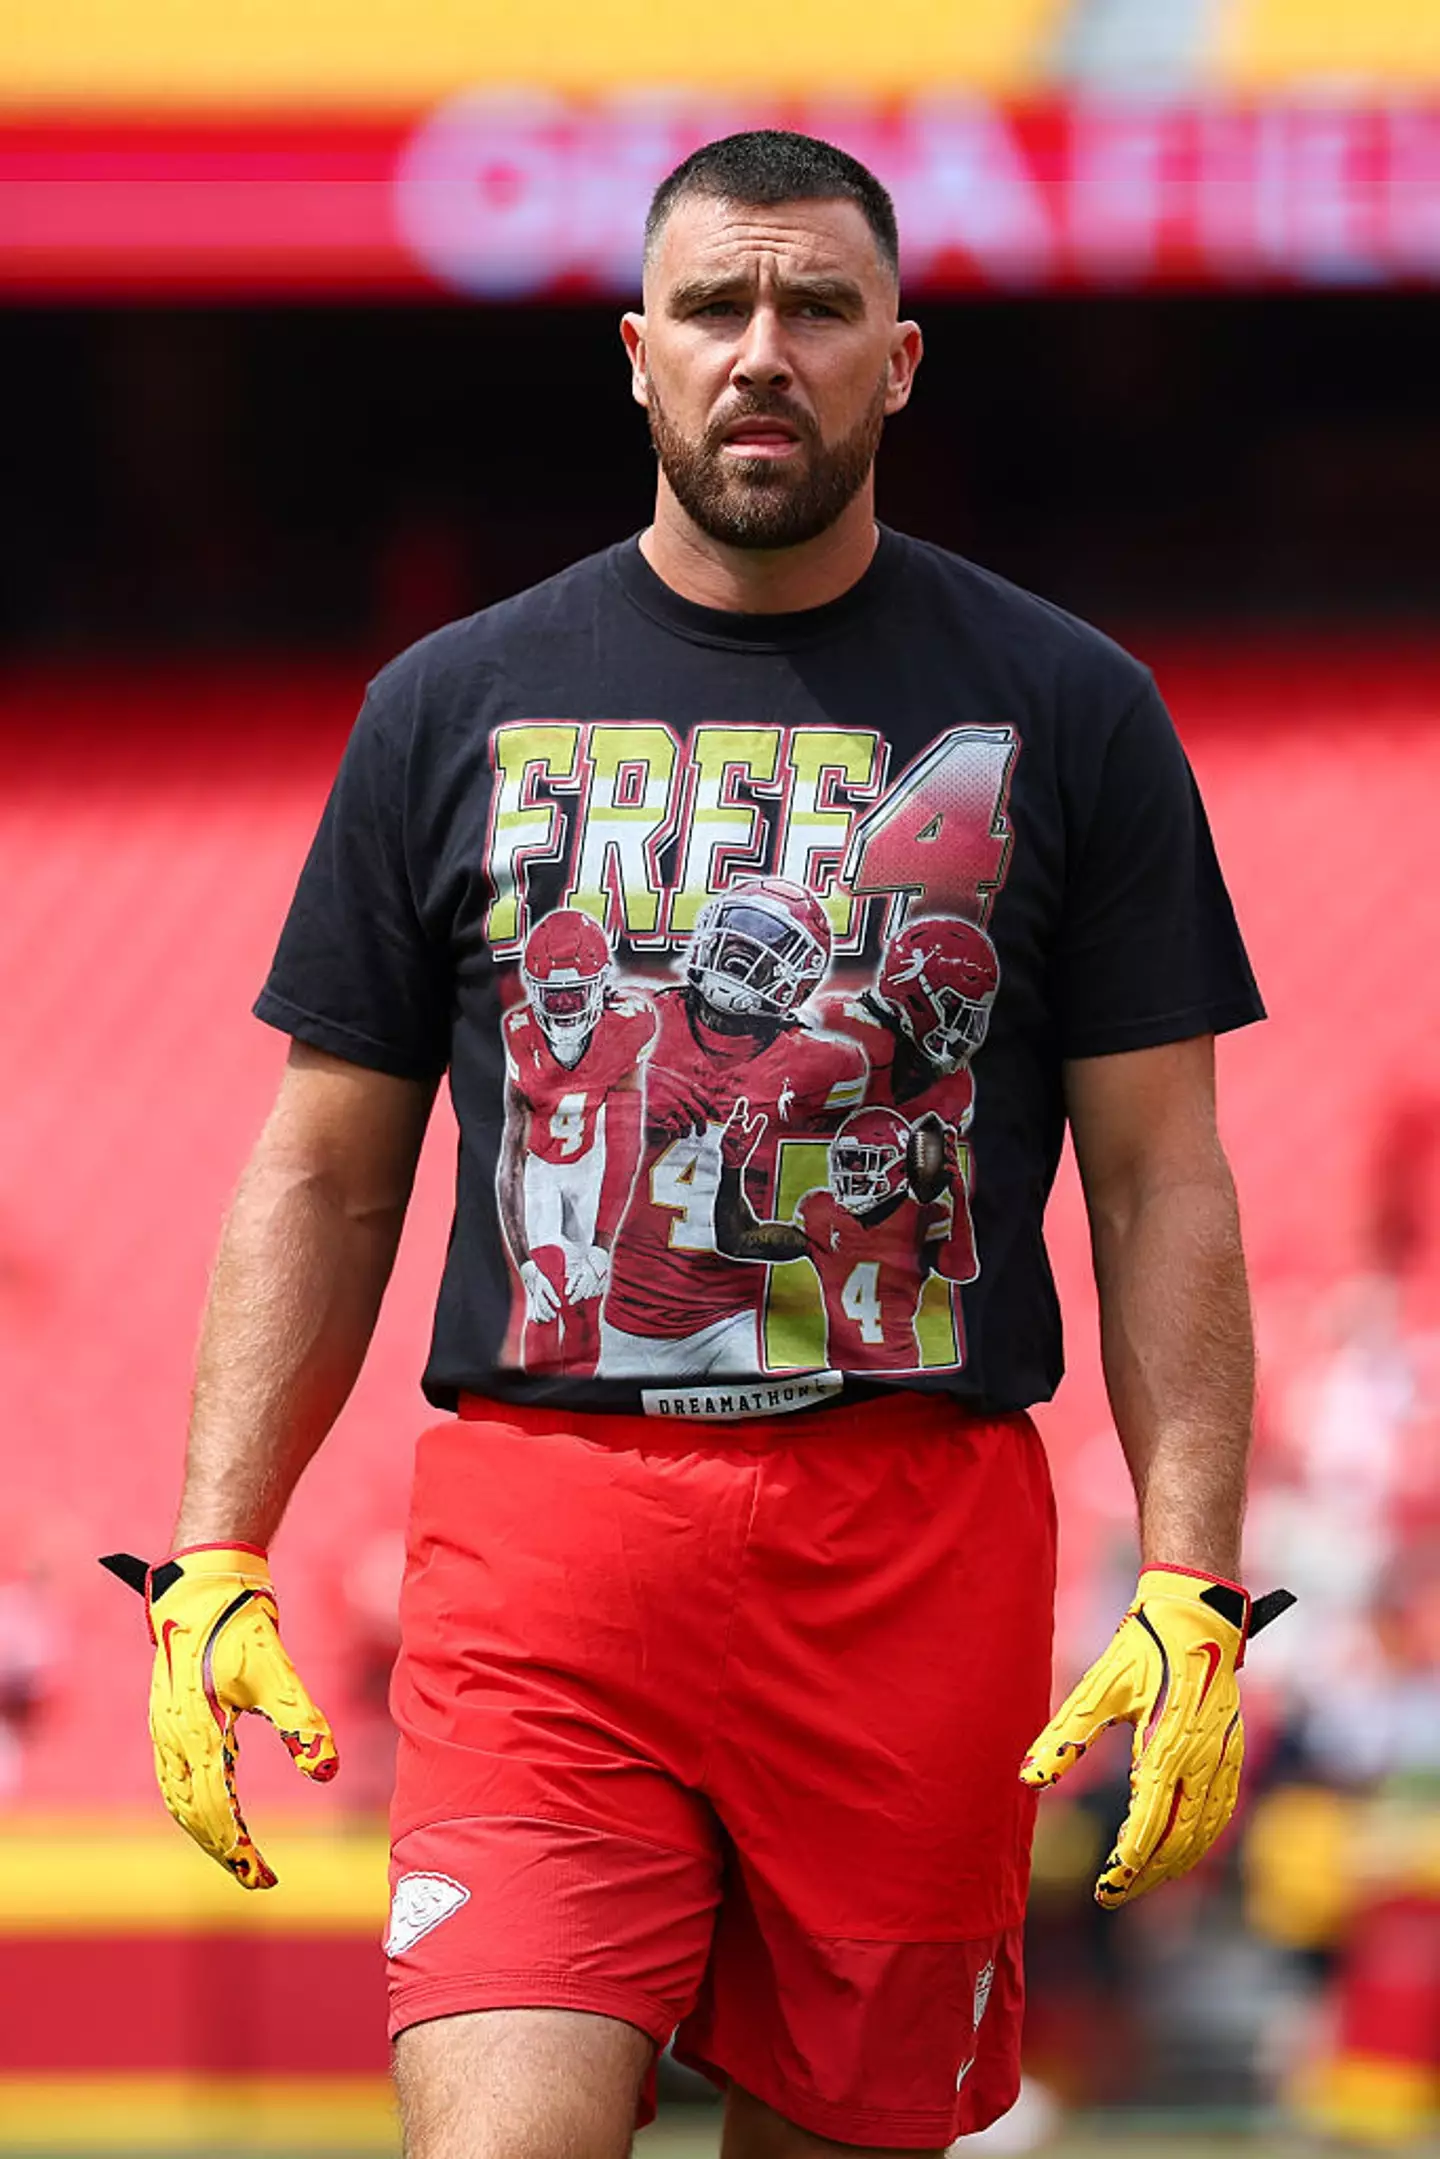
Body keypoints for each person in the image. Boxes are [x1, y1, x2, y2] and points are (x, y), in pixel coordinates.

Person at [104, 129, 1291, 2159]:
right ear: (636, 353)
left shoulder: (1076, 708)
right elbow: (323, 1168)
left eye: (820, 308)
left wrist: (1192, 1570)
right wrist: (219, 1538)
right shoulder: (445, 705)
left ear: (898, 361)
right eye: (721, 308)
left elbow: (1164, 1170)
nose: (768, 351)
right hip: (550, 1545)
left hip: (916, 1540)